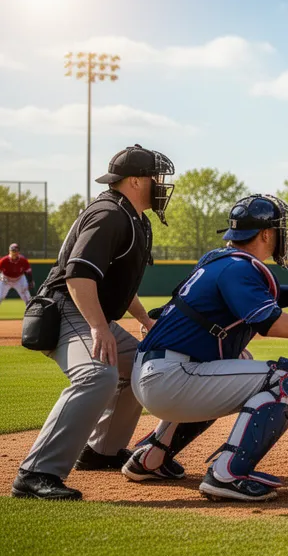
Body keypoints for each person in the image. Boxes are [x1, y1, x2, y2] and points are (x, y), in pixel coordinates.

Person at [122, 194, 288, 502]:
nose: (283, 236)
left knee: (239, 358)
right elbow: (271, 323)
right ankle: (228, 473)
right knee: (287, 378)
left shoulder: (220, 261)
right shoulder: (239, 269)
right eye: (279, 229)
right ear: (267, 234)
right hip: (171, 377)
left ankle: (152, 456)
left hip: (157, 372)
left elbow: (257, 295)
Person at [12, 144, 175, 500]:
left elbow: (118, 284)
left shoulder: (133, 217)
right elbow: (79, 276)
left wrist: (144, 319)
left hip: (86, 310)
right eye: (155, 177)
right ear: (134, 180)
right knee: (97, 374)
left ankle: (101, 451)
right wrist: (100, 329)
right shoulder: (109, 213)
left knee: (143, 364)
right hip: (66, 309)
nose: (160, 185)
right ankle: (36, 472)